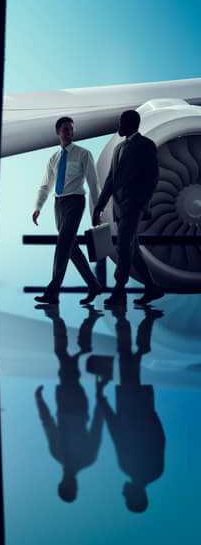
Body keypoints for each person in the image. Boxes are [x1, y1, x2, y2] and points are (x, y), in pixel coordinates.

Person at [92, 110, 164, 307]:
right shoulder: (118, 149)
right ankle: (152, 288)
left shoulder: (145, 145)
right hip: (119, 208)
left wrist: (139, 203)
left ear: (132, 124)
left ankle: (119, 290)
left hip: (133, 207)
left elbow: (152, 176)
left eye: (121, 122)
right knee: (132, 251)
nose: (118, 126)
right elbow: (110, 180)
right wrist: (99, 205)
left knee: (123, 248)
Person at [34, 307, 105, 503]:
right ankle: (66, 319)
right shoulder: (77, 457)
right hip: (72, 406)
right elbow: (97, 428)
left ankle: (81, 324)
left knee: (66, 361)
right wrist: (39, 400)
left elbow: (48, 423)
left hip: (71, 406)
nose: (67, 482)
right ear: (71, 485)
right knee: (64, 359)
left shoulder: (65, 455)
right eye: (69, 486)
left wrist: (40, 400)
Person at [99, 307, 165, 512]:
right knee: (128, 356)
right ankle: (123, 316)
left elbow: (160, 438)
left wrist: (149, 412)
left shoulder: (156, 472)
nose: (123, 493)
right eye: (127, 497)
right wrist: (102, 402)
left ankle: (146, 321)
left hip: (143, 405)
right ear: (135, 497)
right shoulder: (128, 467)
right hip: (130, 406)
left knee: (137, 359)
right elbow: (116, 431)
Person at [32, 116, 104, 304]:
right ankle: (94, 285)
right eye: (65, 129)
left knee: (62, 244)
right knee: (71, 248)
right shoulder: (53, 159)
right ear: (58, 132)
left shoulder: (83, 154)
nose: (69, 132)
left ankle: (52, 292)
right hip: (59, 205)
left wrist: (97, 211)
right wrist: (38, 207)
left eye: (71, 129)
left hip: (75, 202)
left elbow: (93, 183)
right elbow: (45, 185)